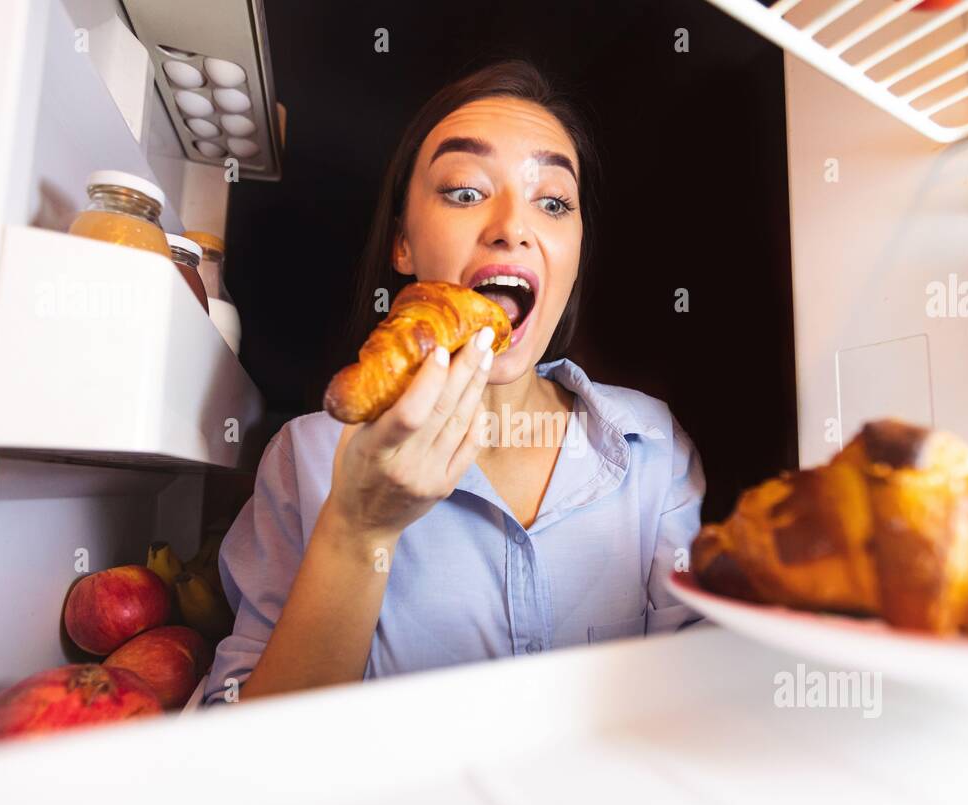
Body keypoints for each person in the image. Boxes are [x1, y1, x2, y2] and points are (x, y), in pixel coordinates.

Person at [203, 59, 704, 705]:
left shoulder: (651, 448)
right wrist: (357, 532)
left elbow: (695, 701)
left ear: (576, 252)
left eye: (552, 202)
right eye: (465, 191)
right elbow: (243, 754)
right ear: (403, 245)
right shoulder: (309, 458)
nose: (512, 227)